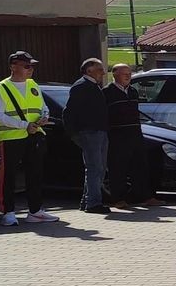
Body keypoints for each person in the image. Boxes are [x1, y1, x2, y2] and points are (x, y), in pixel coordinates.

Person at [0, 51, 57, 226]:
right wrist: (23, 125)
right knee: (9, 176)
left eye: (32, 66)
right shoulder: (1, 87)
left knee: (35, 174)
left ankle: (35, 211)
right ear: (13, 66)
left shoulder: (33, 85)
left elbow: (43, 107)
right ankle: (8, 212)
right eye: (27, 66)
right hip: (11, 137)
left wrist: (44, 117)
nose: (31, 70)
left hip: (34, 135)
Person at [104, 64, 159, 208]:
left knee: (140, 167)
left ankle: (145, 197)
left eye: (129, 73)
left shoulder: (133, 91)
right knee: (118, 169)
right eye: (124, 74)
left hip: (135, 134)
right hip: (117, 136)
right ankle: (118, 199)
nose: (128, 76)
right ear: (115, 75)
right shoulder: (107, 92)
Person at [66, 58, 111, 214]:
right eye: (99, 69)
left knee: (99, 167)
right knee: (94, 167)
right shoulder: (81, 86)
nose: (103, 73)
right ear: (89, 70)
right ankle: (93, 203)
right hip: (89, 132)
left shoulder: (93, 86)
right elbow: (69, 112)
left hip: (99, 131)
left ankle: (87, 200)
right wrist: (73, 133)